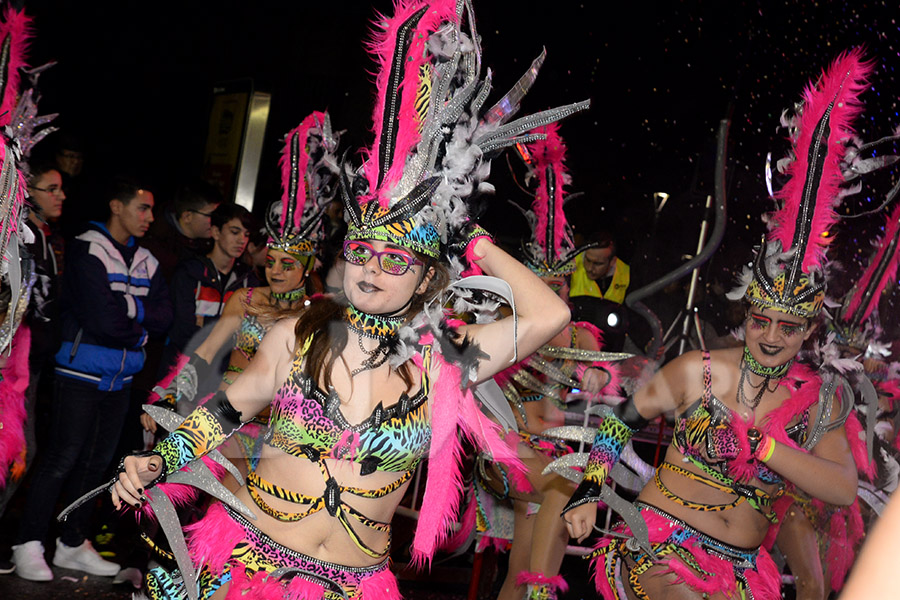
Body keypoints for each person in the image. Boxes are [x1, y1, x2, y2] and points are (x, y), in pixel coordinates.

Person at [108, 2, 589, 597]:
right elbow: (224, 413)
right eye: (361, 252)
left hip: (355, 583)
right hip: (253, 569)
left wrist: (469, 241)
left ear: (427, 277)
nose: (370, 270)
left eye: (395, 261)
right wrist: (157, 462)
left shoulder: (445, 361)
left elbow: (551, 315)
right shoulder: (296, 335)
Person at [561, 50, 867, 599]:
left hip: (744, 569)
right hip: (659, 543)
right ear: (746, 315)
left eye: (788, 327)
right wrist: (587, 491)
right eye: (761, 320)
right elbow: (617, 424)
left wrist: (767, 448)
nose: (771, 336)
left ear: (808, 333)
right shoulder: (697, 372)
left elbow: (843, 488)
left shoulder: (818, 402)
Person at [476, 124, 623, 600]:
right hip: (507, 451)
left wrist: (598, 375)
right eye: (542, 287)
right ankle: (543, 593)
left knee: (521, 562)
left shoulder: (581, 334)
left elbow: (605, 384)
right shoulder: (508, 327)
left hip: (551, 455)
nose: (552, 296)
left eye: (559, 288)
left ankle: (527, 591)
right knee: (565, 485)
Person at [12, 175, 173, 582]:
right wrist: (138, 321)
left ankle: (71, 543)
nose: (149, 218)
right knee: (61, 458)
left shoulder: (148, 259)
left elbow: (164, 316)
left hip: (120, 379)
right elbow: (101, 319)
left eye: (152, 210)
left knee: (98, 464)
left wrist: (127, 312)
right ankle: (27, 543)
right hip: (79, 372)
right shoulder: (88, 247)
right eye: (142, 208)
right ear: (117, 207)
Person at [162, 203, 256, 380]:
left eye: (246, 234)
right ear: (216, 232)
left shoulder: (248, 280)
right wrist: (230, 327)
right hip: (182, 373)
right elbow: (181, 332)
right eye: (235, 232)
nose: (242, 240)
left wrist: (204, 322)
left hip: (221, 377)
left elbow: (251, 336)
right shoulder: (190, 272)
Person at [142, 179, 222, 283]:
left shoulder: (210, 246)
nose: (216, 221)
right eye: (211, 215)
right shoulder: (157, 249)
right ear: (187, 216)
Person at [569, 231, 630, 304]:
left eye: (597, 263)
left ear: (612, 262)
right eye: (588, 260)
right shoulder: (569, 267)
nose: (589, 268)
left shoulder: (627, 274)